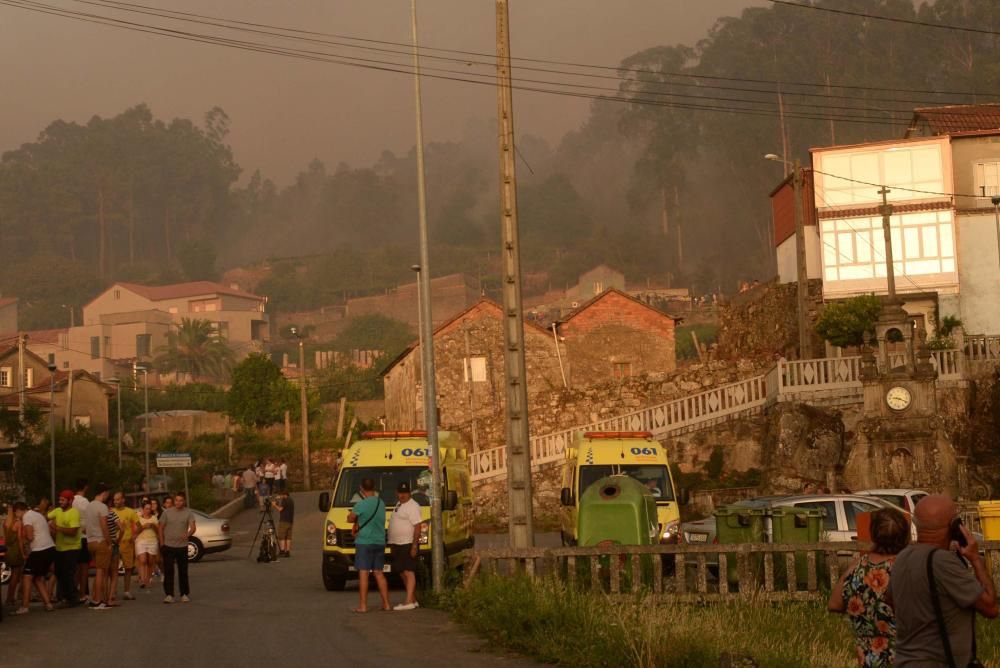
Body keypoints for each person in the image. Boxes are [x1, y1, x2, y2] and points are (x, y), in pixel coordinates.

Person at [889, 494, 998, 667]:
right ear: (955, 526)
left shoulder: (902, 557)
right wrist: (975, 559)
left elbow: (891, 600)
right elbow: (991, 607)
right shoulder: (942, 562)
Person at [829, 507, 910, 667]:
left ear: (873, 535)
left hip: (868, 658)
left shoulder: (857, 567)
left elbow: (834, 604)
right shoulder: (906, 568)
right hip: (904, 656)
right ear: (904, 536)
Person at [347, 478, 390, 613]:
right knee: (379, 573)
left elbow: (350, 519)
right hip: (379, 541)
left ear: (361, 489)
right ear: (374, 487)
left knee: (364, 573)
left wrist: (353, 515)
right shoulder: (381, 503)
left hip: (365, 542)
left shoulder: (361, 504)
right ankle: (387, 604)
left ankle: (363, 606)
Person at [387, 482, 424, 611]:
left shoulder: (413, 506)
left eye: (405, 493)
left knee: (409, 571)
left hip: (407, 543)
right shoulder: (399, 504)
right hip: (398, 544)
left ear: (409, 493)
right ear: (397, 493)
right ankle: (413, 599)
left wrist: (414, 545)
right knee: (401, 571)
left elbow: (418, 526)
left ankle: (408, 601)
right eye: (400, 493)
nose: (402, 495)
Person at [15, 499, 56, 614]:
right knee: (37, 578)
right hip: (50, 547)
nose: (17, 517)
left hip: (39, 549)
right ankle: (48, 603)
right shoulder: (37, 514)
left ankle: (25, 606)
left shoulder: (27, 517)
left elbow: (30, 536)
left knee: (27, 577)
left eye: (16, 514)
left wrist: (23, 539)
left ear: (19, 511)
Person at [158, 492, 196, 604]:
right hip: (168, 545)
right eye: (177, 500)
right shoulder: (167, 513)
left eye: (181, 500)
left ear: (184, 501)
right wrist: (161, 543)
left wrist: (188, 534)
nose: (178, 502)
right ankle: (169, 594)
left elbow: (193, 527)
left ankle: (184, 594)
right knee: (169, 570)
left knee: (183, 571)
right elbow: (160, 527)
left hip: (182, 546)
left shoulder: (188, 513)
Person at [47, 490, 83, 608]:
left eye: (63, 500)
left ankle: (71, 598)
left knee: (68, 573)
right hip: (59, 548)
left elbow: (73, 532)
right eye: (60, 500)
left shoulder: (74, 513)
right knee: (59, 573)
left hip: (72, 548)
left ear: (70, 500)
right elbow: (46, 516)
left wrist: (57, 528)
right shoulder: (57, 511)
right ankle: (65, 597)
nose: (60, 502)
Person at [83, 483, 113, 610]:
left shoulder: (89, 506)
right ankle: (98, 600)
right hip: (101, 541)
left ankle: (95, 597)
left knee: (98, 571)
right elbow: (104, 526)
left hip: (90, 541)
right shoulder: (102, 507)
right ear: (104, 493)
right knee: (101, 571)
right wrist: (109, 541)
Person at [112, 492, 139, 601]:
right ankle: (112, 592)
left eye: (118, 499)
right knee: (113, 569)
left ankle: (127, 591)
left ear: (123, 500)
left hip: (127, 543)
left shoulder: (130, 511)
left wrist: (135, 535)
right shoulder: (111, 512)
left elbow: (139, 526)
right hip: (115, 543)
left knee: (128, 568)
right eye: (114, 500)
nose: (116, 502)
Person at [3, 502, 26, 609]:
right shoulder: (18, 523)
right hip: (16, 551)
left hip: (9, 550)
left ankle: (10, 597)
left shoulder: (6, 523)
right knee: (16, 576)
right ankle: (10, 598)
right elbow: (20, 540)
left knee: (13, 575)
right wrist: (23, 553)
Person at [134, 501, 159, 592]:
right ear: (143, 509)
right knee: (143, 560)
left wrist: (153, 526)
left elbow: (158, 530)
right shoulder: (138, 518)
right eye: (146, 508)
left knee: (150, 561)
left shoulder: (154, 518)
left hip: (152, 541)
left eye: (149, 508)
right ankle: (142, 580)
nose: (148, 510)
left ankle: (148, 579)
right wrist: (143, 526)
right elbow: (136, 531)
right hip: (141, 540)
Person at [72, 479, 90, 600]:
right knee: (84, 568)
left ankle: (74, 592)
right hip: (83, 536)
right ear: (85, 487)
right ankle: (83, 593)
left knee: (75, 568)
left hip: (73, 536)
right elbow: (89, 518)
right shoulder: (85, 501)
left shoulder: (71, 500)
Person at [272, 489, 295, 558]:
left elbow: (280, 509)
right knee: (288, 537)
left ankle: (282, 550)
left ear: (283, 494)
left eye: (281, 495)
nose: (280, 496)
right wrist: (278, 502)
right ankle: (287, 551)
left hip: (284, 520)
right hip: (290, 521)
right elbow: (285, 507)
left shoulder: (285, 500)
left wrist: (274, 505)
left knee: (282, 536)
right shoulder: (291, 500)